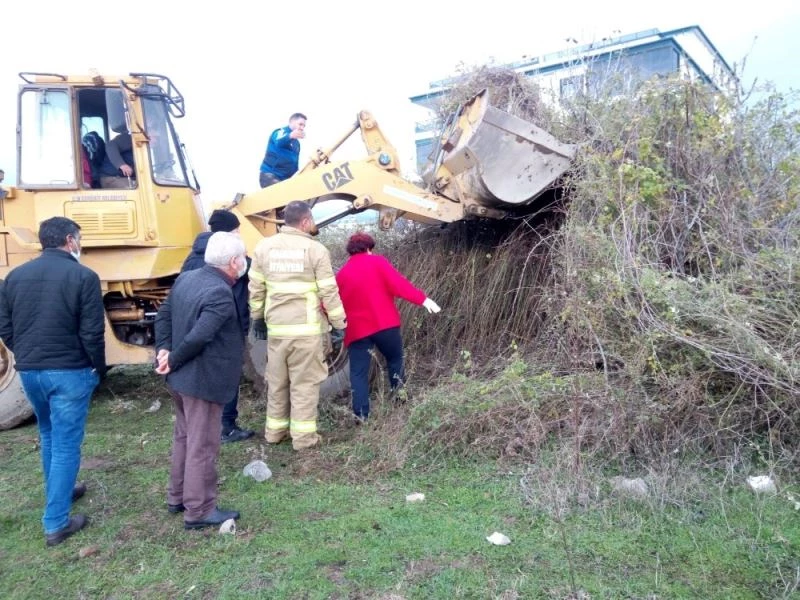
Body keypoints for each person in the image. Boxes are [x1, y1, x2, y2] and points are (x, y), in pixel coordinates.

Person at [0, 216, 106, 546]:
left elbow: (5, 327)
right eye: (79, 239)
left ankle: (62, 490)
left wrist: (27, 354)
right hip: (70, 372)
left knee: (48, 433)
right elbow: (92, 332)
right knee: (65, 444)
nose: (80, 244)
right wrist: (97, 368)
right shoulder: (84, 276)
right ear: (70, 241)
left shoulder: (14, 276)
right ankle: (56, 522)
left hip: (31, 372)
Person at [154, 232, 246, 529]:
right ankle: (200, 510)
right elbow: (201, 336)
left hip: (181, 381)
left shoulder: (186, 278)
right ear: (234, 262)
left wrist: (164, 350)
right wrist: (174, 356)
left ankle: (177, 496)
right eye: (243, 258)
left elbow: (163, 316)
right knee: (202, 445)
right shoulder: (219, 292)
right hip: (202, 380)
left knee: (184, 438)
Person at [248, 200, 346, 450]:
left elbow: (256, 288)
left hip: (277, 331)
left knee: (277, 381)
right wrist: (338, 323)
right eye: (311, 221)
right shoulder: (315, 250)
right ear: (304, 222)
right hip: (307, 332)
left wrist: (257, 318)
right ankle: (303, 439)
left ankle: (274, 432)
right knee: (304, 384)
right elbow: (329, 291)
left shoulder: (264, 248)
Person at [334, 232, 441, 421]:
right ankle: (400, 401)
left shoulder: (341, 275)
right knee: (395, 360)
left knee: (358, 373)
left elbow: (329, 303)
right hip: (385, 325)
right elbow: (399, 285)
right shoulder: (378, 262)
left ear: (350, 251)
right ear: (369, 248)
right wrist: (423, 300)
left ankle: (361, 416)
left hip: (357, 331)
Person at [181, 209, 255, 444]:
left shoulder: (191, 259)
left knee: (201, 376)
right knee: (229, 376)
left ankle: (204, 424)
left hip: (195, 326)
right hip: (227, 328)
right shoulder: (235, 260)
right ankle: (226, 427)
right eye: (237, 229)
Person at [258, 113, 306, 188]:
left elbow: (295, 164)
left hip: (285, 180)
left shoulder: (296, 144)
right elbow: (279, 141)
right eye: (300, 124)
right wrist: (290, 135)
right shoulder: (280, 132)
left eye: (304, 126)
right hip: (269, 176)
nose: (302, 128)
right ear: (292, 122)